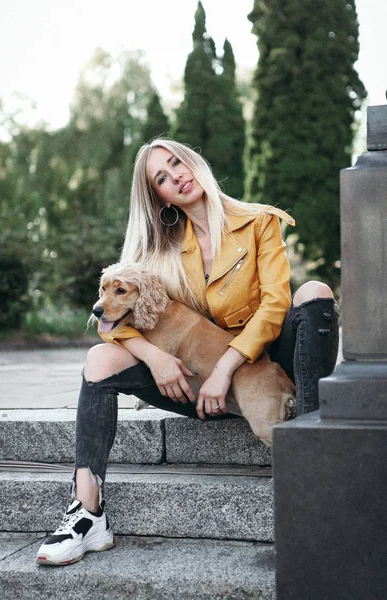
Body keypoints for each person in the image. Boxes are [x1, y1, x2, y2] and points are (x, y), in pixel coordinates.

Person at [36, 138, 340, 566]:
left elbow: (275, 304)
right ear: (158, 195)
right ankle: (87, 515)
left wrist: (227, 368)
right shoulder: (157, 249)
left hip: (266, 361)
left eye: (176, 162)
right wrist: (154, 356)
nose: (175, 174)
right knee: (98, 360)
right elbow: (110, 321)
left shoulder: (259, 222)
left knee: (314, 291)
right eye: (161, 176)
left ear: (193, 161)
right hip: (190, 381)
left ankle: (316, 463)